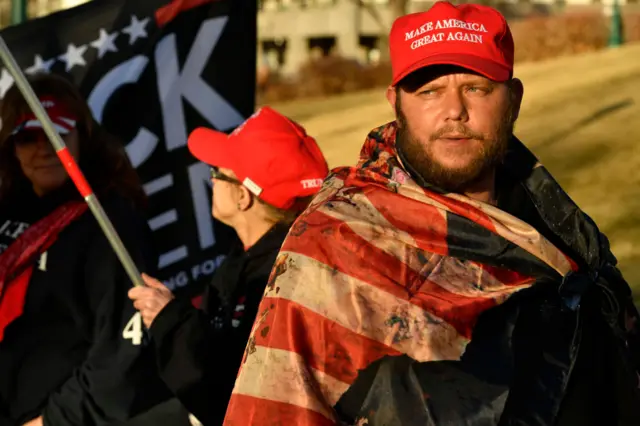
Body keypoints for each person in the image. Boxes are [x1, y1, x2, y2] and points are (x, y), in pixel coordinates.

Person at [222, 2, 640, 426]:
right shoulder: (335, 243)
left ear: (513, 99)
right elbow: (270, 410)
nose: (454, 110)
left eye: (476, 87)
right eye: (429, 91)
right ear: (396, 104)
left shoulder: (559, 233)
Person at [127, 106, 329, 426]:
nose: (210, 181)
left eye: (216, 173)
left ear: (242, 197)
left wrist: (171, 323)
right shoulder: (254, 254)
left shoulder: (277, 280)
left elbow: (232, 394)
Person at [0, 73, 170, 426]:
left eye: (57, 132)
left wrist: (50, 420)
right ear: (11, 147)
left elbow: (124, 352)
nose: (45, 148)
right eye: (29, 137)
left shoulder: (111, 224)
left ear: (82, 138)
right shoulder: (9, 207)